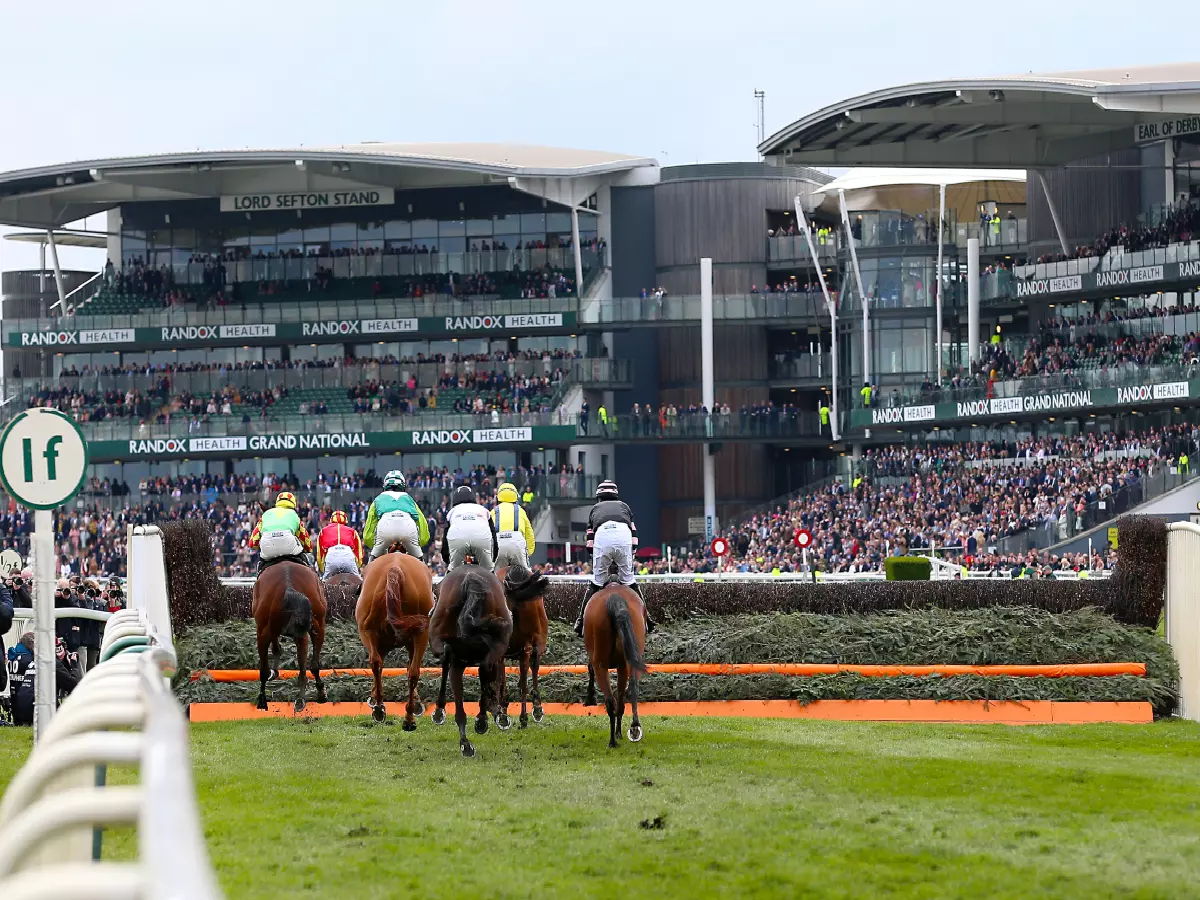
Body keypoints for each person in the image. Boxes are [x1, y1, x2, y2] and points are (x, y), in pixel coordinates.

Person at [572, 480, 654, 636]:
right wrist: (631, 554)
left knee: (596, 583)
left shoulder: (595, 509)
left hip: (602, 539)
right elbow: (634, 535)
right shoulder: (625, 507)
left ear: (599, 497)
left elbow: (590, 541)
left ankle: (580, 621)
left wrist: (595, 559)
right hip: (624, 539)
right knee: (630, 582)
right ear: (615, 495)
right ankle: (648, 620)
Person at [363, 470, 429, 562]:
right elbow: (421, 523)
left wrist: (373, 544)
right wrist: (419, 543)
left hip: (385, 530)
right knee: (421, 564)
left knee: (371, 564)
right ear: (403, 485)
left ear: (385, 485)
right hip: (408, 529)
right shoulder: (409, 499)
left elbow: (370, 528)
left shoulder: (378, 499)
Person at [440, 485, 498, 572]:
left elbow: (445, 539)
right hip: (481, 539)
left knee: (452, 573)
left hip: (458, 540)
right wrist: (492, 560)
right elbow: (493, 537)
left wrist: (448, 561)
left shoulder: (452, 511)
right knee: (489, 572)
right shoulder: (483, 510)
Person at [249, 491, 313, 568]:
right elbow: (306, 540)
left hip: (267, 544)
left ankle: (259, 573)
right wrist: (308, 549)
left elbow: (252, 542)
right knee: (304, 560)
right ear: (293, 505)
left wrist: (260, 546)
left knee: (261, 564)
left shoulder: (266, 514)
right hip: (288, 543)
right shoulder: (294, 515)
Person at [491, 481, 535, 570]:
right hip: (517, 543)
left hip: (499, 544)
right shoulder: (520, 511)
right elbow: (529, 534)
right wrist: (527, 552)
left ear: (498, 497)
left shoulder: (493, 511)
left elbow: (488, 534)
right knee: (526, 575)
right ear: (515, 497)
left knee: (495, 576)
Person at [318, 510, 364, 580]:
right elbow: (359, 552)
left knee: (323, 583)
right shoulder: (353, 531)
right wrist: (357, 566)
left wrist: (323, 569)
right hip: (348, 558)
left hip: (331, 558)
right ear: (345, 520)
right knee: (359, 582)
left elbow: (320, 554)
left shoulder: (323, 531)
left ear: (331, 519)